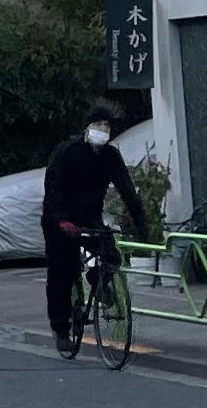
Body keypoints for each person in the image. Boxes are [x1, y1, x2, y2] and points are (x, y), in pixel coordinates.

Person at [43, 103, 154, 357]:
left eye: (107, 126)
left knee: (110, 254)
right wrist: (61, 220)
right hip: (60, 219)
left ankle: (101, 283)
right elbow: (53, 188)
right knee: (63, 270)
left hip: (89, 217)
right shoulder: (68, 153)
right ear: (87, 128)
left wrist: (140, 222)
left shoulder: (110, 157)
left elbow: (126, 188)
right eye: (98, 125)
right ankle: (61, 329)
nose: (103, 130)